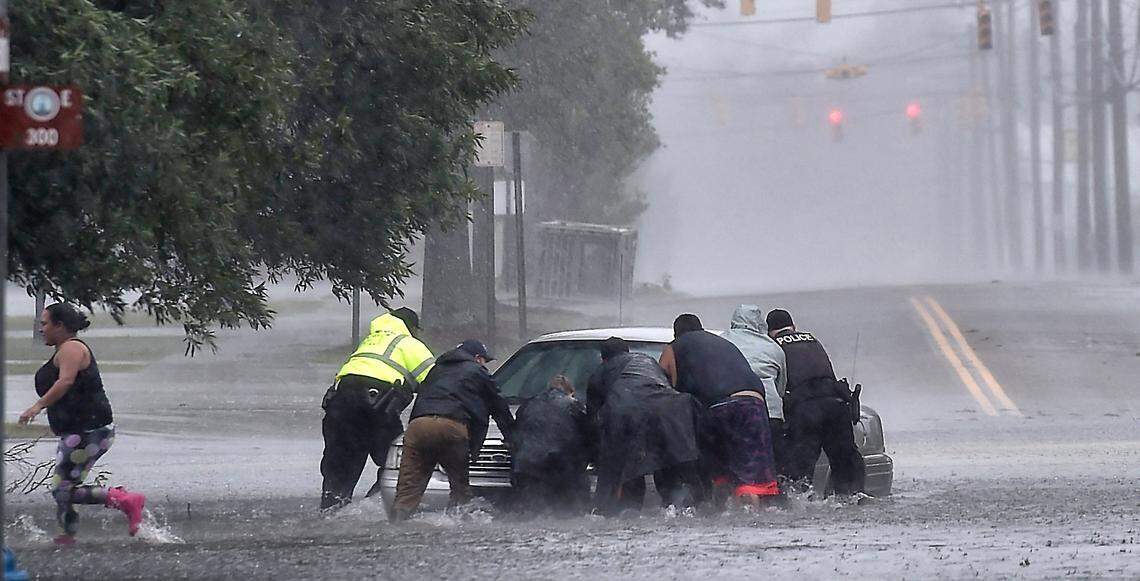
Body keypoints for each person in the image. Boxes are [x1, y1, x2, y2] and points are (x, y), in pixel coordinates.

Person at [18, 303, 145, 545]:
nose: (41, 328)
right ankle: (67, 535)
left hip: (88, 431)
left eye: (45, 323)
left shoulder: (72, 348)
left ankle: (122, 499)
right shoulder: (64, 349)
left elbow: (65, 381)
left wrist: (37, 406)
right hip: (81, 431)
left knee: (62, 489)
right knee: (64, 487)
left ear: (60, 326)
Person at [320, 307, 434, 510]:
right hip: (377, 407)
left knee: (340, 465)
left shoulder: (370, 341)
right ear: (411, 328)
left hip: (340, 404)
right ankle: (372, 507)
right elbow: (436, 381)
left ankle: (332, 510)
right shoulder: (409, 344)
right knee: (401, 460)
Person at [659, 314, 779, 507]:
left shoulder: (674, 347)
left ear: (676, 333)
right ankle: (753, 520)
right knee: (751, 481)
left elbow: (664, 387)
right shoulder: (723, 343)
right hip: (754, 404)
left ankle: (722, 516)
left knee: (721, 475)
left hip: (718, 409)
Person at [391, 340, 514, 520]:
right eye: (484, 361)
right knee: (459, 487)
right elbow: (498, 406)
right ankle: (457, 527)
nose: (484, 365)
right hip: (451, 427)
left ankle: (397, 524)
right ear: (478, 358)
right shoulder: (477, 371)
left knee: (407, 489)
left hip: (418, 427)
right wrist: (513, 437)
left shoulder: (436, 371)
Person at [588, 337, 705, 515]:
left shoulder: (601, 371)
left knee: (626, 469)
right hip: (670, 411)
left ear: (604, 359)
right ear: (627, 352)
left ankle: (619, 512)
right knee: (667, 465)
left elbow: (594, 422)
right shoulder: (648, 361)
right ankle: (680, 507)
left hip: (628, 414)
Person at [766, 308, 865, 497]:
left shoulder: (773, 346)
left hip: (807, 410)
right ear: (793, 326)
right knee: (845, 460)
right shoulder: (812, 339)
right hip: (836, 405)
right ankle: (854, 497)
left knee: (800, 468)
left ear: (769, 332)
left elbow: (777, 387)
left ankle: (801, 503)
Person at [722, 305, 790, 478]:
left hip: (734, 412)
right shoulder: (773, 347)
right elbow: (781, 388)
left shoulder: (722, 342)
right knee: (775, 470)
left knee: (738, 470)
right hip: (770, 413)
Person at [508, 375, 591, 516]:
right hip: (559, 466)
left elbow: (517, 433)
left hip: (526, 466)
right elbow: (588, 435)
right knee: (569, 514)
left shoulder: (528, 404)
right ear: (570, 392)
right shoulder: (573, 405)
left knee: (530, 513)